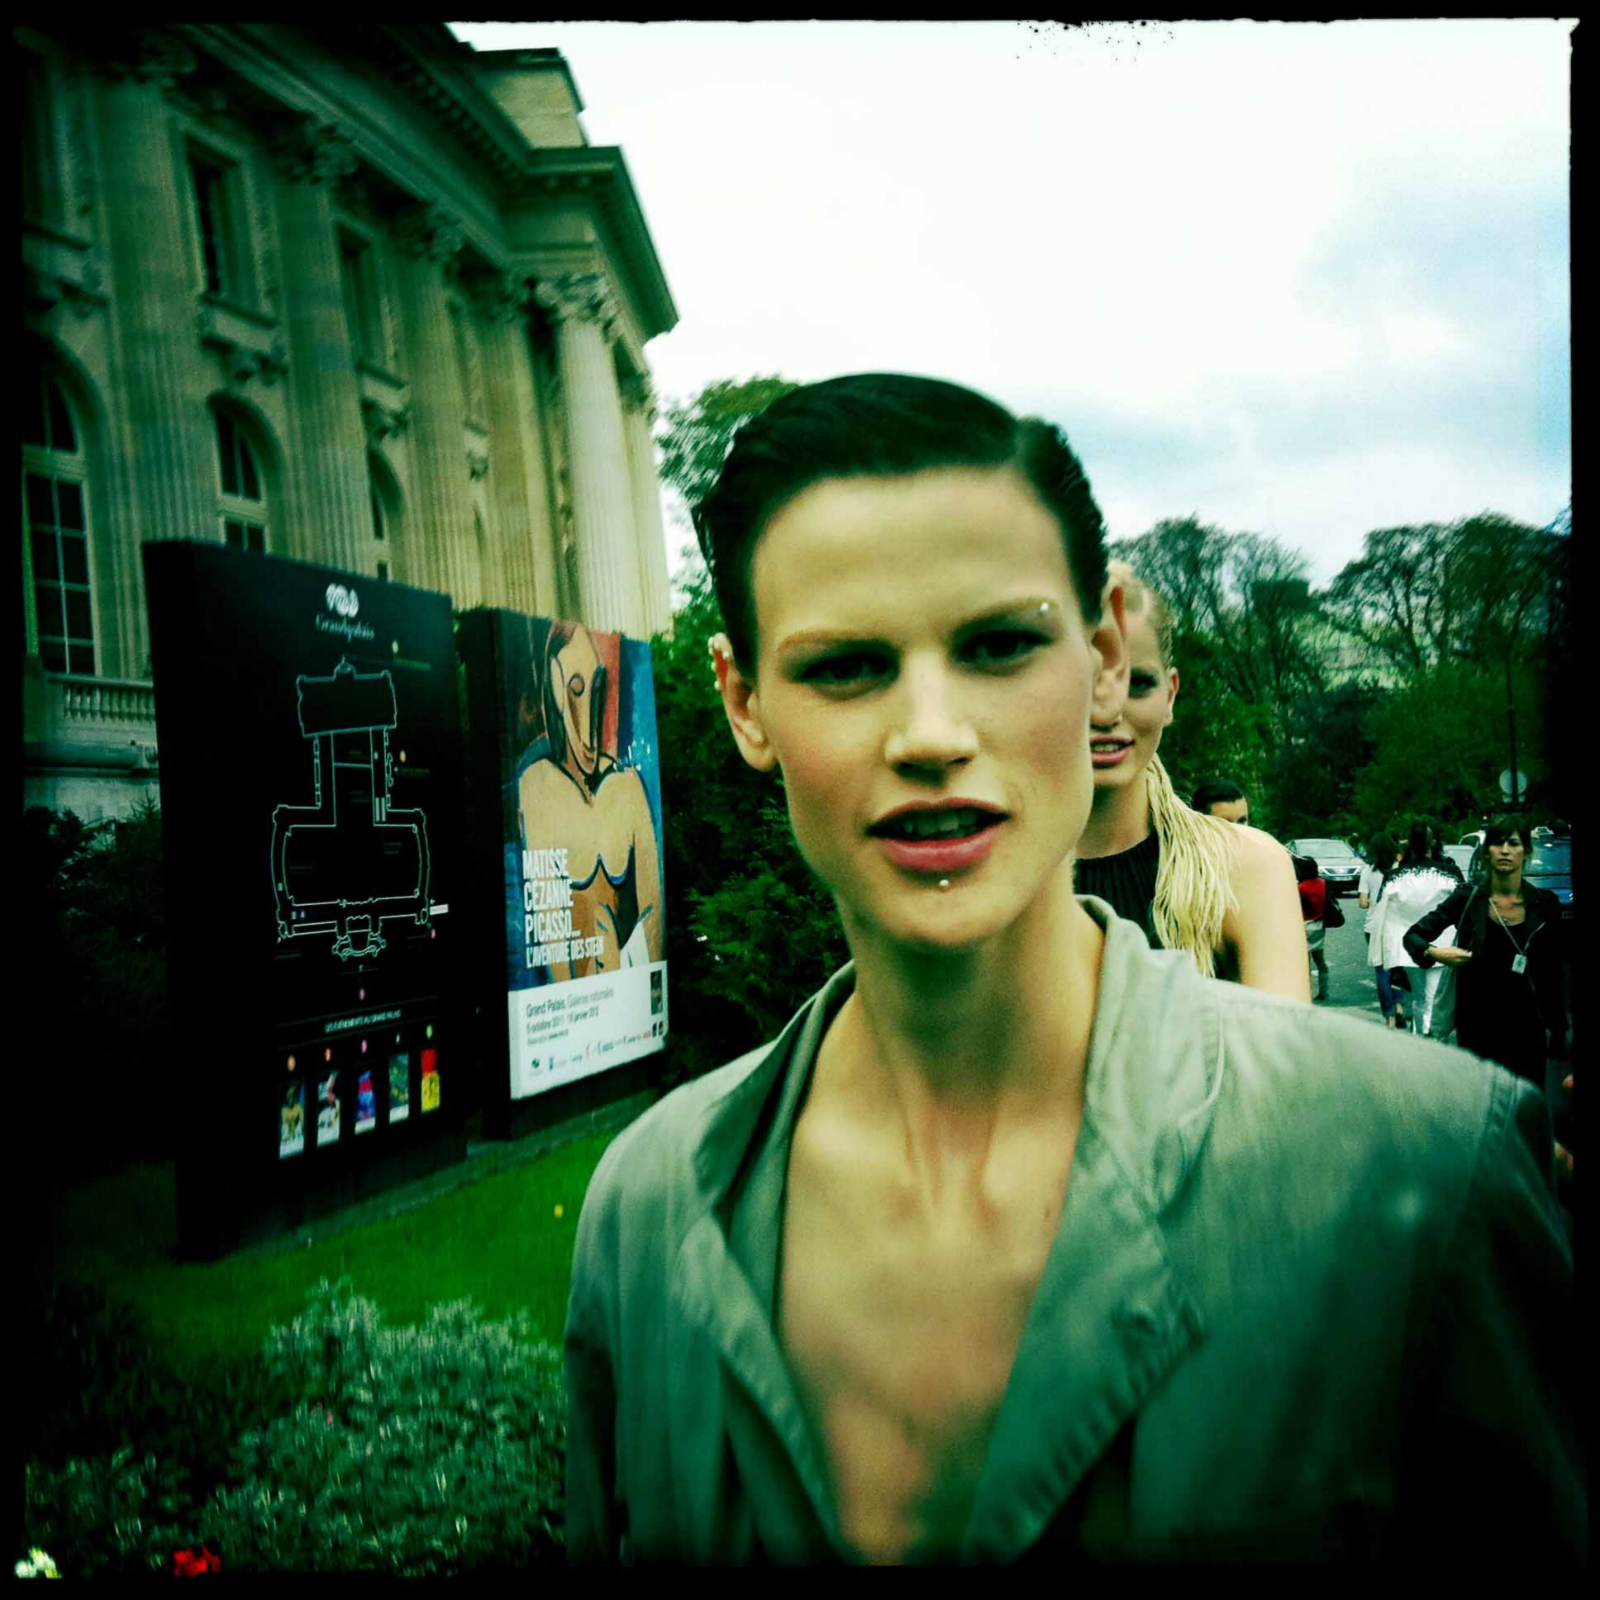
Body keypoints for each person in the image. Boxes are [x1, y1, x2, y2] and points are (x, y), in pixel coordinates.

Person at [564, 374, 1579, 1566]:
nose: (931, 733)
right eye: (843, 666)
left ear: (1100, 658)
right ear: (744, 703)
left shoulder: (1420, 1171)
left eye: (999, 645)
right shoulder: (645, 1217)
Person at [1074, 564, 1308, 997]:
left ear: (1170, 694)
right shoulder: (991, 874)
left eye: (1137, 683)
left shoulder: (1245, 867)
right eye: (1080, 682)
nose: (1107, 711)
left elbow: (1283, 1039)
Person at [1405, 816, 1568, 1092]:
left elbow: (1552, 973)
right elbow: (1413, 936)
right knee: (1482, 1108)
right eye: (1497, 843)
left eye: (1513, 843)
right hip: (1477, 1028)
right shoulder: (1467, 900)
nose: (1505, 850)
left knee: (1524, 1107)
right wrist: (1436, 953)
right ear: (1487, 852)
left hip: (1527, 1029)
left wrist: (1559, 1030)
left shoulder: (1544, 905)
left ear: (1526, 852)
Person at [1373, 822, 1462, 1034]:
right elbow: (1463, 905)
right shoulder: (1450, 874)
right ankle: (1430, 1039)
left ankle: (1422, 1037)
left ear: (1409, 845)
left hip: (1407, 946)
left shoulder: (1394, 877)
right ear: (1433, 843)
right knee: (1433, 997)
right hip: (1443, 943)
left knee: (1420, 997)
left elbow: (1381, 910)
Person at [1292, 852, 1331, 1002]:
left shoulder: (1300, 887)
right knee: (1320, 960)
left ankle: (1306, 991)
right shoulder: (1322, 883)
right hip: (1319, 925)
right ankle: (1323, 991)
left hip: (1304, 926)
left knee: (1305, 962)